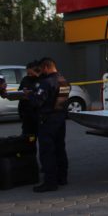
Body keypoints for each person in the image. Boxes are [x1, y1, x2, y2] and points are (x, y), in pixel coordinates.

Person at [27, 57, 71, 192]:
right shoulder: (64, 81)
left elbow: (37, 102)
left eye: (41, 69)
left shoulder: (46, 82)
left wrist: (30, 95)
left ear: (46, 67)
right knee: (60, 149)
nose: (41, 72)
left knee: (47, 152)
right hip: (60, 120)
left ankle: (50, 183)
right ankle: (62, 178)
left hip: (47, 121)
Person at [18, 61, 42, 138]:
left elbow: (42, 94)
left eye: (31, 73)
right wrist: (22, 92)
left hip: (38, 114)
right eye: (28, 73)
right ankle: (29, 149)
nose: (29, 75)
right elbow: (20, 91)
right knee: (28, 138)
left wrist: (31, 93)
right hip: (26, 113)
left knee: (42, 137)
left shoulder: (42, 80)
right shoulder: (25, 79)